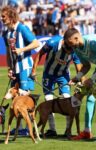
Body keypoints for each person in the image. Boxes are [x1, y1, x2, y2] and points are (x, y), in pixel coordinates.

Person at [31, 35, 82, 137]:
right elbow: (39, 54)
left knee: (68, 100)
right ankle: (52, 130)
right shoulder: (52, 43)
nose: (69, 54)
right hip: (48, 75)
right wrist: (33, 71)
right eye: (67, 51)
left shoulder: (75, 49)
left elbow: (78, 64)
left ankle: (68, 131)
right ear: (64, 44)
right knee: (48, 100)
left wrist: (79, 79)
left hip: (63, 76)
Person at [63, 28, 96, 140]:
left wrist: (92, 79)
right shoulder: (77, 49)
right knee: (90, 98)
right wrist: (76, 78)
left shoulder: (92, 43)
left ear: (76, 38)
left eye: (70, 43)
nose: (70, 46)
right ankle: (87, 131)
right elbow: (86, 66)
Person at [1, 6, 40, 135]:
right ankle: (22, 128)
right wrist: (9, 68)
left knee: (24, 96)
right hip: (15, 69)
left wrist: (21, 50)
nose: (1, 19)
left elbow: (36, 43)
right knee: (16, 98)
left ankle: (29, 128)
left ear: (11, 16)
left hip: (25, 67)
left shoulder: (22, 28)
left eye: (4, 16)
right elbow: (8, 52)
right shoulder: (6, 33)